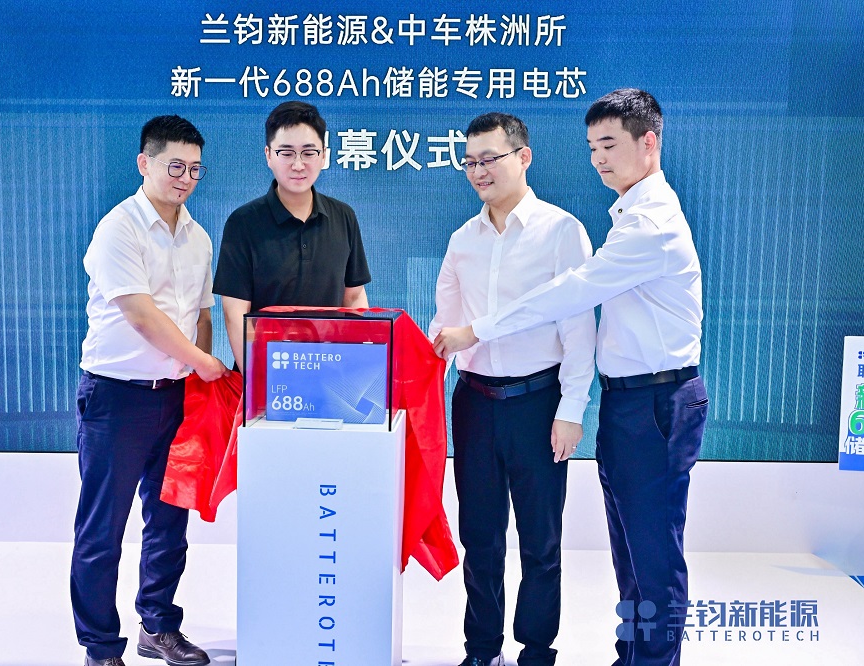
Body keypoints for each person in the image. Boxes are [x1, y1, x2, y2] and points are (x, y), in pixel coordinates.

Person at [434, 89, 708, 666]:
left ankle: (637, 659)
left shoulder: (642, 225)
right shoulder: (623, 214)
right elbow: (445, 321)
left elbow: (571, 302)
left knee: (649, 553)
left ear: (648, 142)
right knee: (628, 549)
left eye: (609, 145)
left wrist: (480, 333)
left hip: (647, 400)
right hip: (612, 401)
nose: (598, 159)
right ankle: (628, 655)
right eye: (592, 148)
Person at [429, 112, 596, 666]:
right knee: (479, 538)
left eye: (489, 159)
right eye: (469, 162)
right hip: (474, 402)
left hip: (538, 403)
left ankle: (536, 650)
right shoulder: (462, 240)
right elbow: (445, 325)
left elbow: (579, 329)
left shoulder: (561, 231)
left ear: (523, 157)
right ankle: (481, 649)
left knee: (541, 541)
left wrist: (571, 409)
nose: (478, 171)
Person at [72, 115, 230, 666]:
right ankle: (100, 648)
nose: (185, 178)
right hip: (116, 398)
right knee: (103, 529)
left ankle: (158, 627)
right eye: (174, 166)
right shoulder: (119, 228)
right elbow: (141, 314)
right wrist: (204, 363)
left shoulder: (199, 237)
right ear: (145, 163)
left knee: (168, 523)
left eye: (195, 169)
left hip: (176, 397)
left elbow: (201, 315)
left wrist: (198, 374)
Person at [214, 101, 371, 366]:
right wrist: (255, 379)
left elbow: (354, 297)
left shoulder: (344, 216)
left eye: (308, 153)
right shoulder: (243, 223)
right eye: (286, 153)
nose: (298, 165)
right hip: (268, 371)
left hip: (331, 369)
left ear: (324, 155)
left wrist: (357, 363)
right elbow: (235, 313)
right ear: (268, 155)